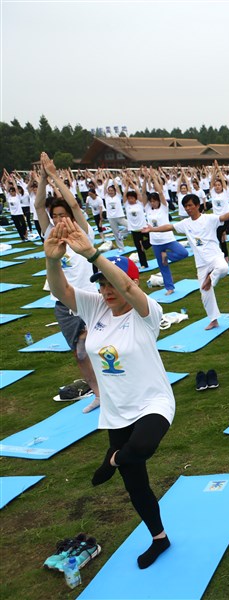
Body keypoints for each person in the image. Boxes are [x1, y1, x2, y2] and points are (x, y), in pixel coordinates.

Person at [44, 218, 175, 570]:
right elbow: (62, 292)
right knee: (136, 487)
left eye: (111, 283)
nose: (106, 291)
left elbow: (131, 292)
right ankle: (159, 538)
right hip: (117, 411)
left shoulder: (147, 312)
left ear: (129, 281)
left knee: (141, 448)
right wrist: (53, 260)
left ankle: (112, 459)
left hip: (153, 402)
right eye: (100, 284)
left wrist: (94, 254)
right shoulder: (96, 307)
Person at [33, 153, 102, 413]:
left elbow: (74, 203)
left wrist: (54, 176)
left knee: (97, 347)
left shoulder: (83, 232)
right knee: (80, 353)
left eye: (64, 214)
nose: (60, 219)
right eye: (56, 215)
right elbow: (39, 206)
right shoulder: (50, 234)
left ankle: (114, 386)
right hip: (62, 303)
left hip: (87, 298)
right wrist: (42, 177)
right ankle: (97, 393)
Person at [143, 193, 229, 330]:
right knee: (205, 293)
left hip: (215, 257)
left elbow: (223, 217)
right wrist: (152, 229)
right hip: (201, 263)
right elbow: (169, 227)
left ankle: (211, 278)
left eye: (190, 205)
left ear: (198, 206)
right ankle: (214, 319)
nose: (188, 208)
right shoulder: (185, 223)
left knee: (223, 268)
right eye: (185, 206)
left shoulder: (209, 219)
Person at [145, 168, 190, 295]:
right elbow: (143, 193)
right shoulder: (148, 209)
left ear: (158, 201)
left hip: (168, 239)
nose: (152, 203)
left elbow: (160, 192)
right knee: (163, 266)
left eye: (154, 201)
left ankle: (167, 255)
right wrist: (145, 180)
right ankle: (169, 288)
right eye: (151, 201)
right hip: (155, 241)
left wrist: (154, 177)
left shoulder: (164, 208)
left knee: (183, 253)